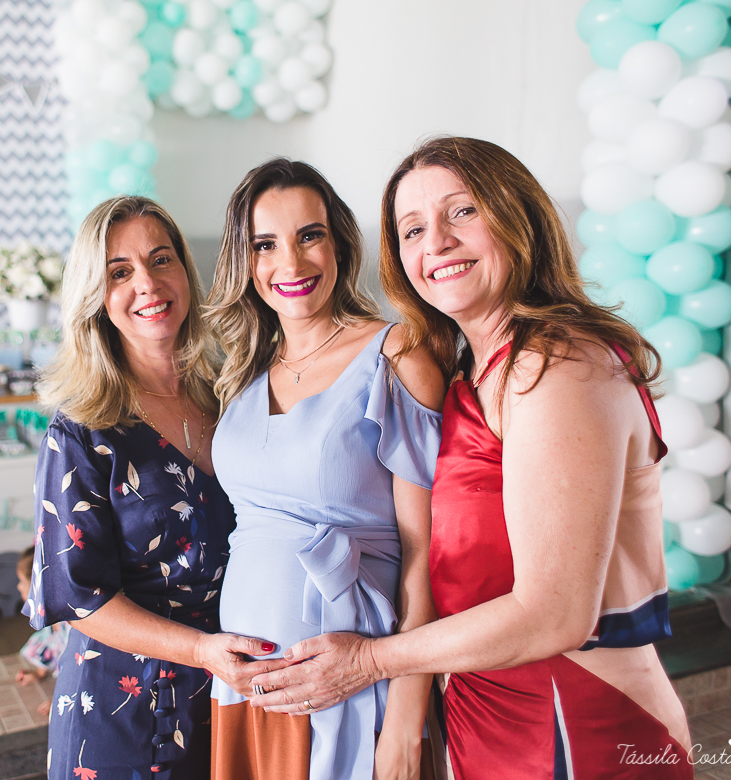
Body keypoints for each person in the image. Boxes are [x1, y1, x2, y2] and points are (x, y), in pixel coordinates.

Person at [248, 137, 693, 779]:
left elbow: (556, 614)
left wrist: (370, 662)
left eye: (462, 211)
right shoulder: (474, 372)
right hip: (486, 713)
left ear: (518, 216)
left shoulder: (557, 364)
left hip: (574, 721)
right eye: (413, 229)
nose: (437, 242)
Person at [204, 159, 445, 780]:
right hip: (248, 689)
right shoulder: (243, 372)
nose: (290, 262)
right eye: (265, 244)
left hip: (351, 682)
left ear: (339, 242)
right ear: (244, 260)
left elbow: (426, 552)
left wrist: (405, 723)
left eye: (309, 235)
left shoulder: (395, 354)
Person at [25, 196, 277, 780]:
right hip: (121, 710)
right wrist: (201, 650)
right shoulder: (82, 429)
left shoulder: (230, 394)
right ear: (95, 295)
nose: (147, 283)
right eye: (120, 272)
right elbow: (77, 597)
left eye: (161, 259)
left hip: (231, 695)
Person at [14, 546, 69, 717]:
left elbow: (76, 666)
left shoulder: (71, 624)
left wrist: (61, 698)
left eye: (22, 582)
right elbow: (53, 644)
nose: (18, 587)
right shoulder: (50, 616)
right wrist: (40, 672)